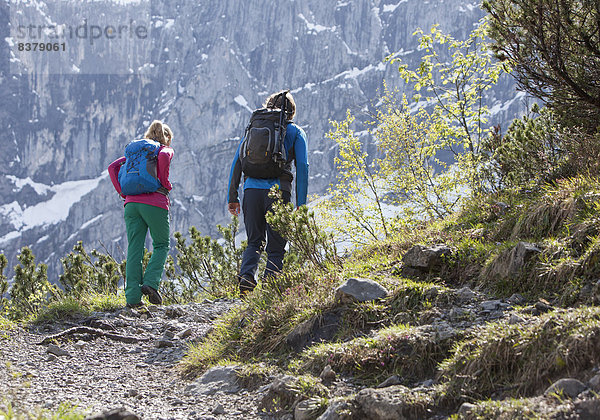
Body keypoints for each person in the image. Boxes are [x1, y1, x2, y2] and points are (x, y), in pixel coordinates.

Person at [227, 91, 309, 294]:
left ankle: (246, 277)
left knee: (254, 240)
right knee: (276, 246)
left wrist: (233, 197)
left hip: (251, 191)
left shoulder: (254, 129)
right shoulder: (296, 132)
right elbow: (303, 166)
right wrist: (302, 202)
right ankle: (270, 288)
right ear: (291, 112)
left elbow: (237, 162)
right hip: (279, 192)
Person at [108, 120, 174, 307]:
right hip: (154, 202)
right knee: (161, 244)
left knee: (134, 249)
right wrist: (164, 183)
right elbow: (163, 158)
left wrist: (122, 192)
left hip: (131, 204)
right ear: (166, 138)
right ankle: (151, 284)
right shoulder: (164, 149)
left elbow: (112, 167)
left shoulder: (134, 154)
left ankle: (132, 299)